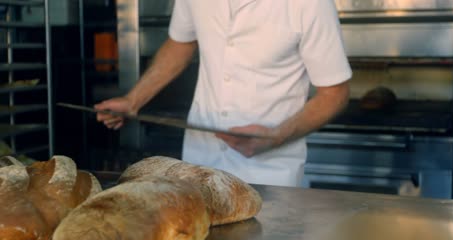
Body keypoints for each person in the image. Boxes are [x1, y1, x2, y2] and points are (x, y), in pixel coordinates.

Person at [95, 0, 352, 187]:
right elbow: (180, 43)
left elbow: (335, 93)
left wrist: (276, 136)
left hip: (270, 175)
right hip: (200, 165)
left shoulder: (310, 4)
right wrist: (133, 100)